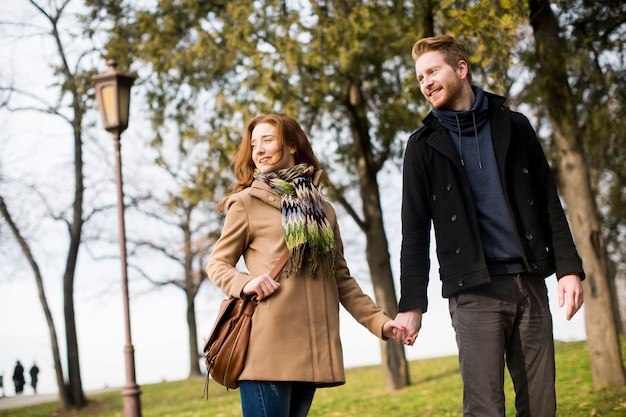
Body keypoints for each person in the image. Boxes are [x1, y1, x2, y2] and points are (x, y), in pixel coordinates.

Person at [395, 35, 585, 417]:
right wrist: (412, 304)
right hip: (473, 292)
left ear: (461, 68)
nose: (426, 83)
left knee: (541, 406)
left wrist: (568, 269)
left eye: (433, 71)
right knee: (485, 408)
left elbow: (548, 200)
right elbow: (414, 231)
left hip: (529, 282)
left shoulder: (515, 126)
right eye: (419, 78)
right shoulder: (422, 146)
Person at [206, 112, 407, 417]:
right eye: (254, 144)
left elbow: (340, 278)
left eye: (268, 140)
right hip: (266, 348)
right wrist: (246, 282)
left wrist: (380, 322)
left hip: (311, 351)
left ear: (291, 145)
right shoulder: (246, 202)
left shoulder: (322, 209)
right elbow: (218, 264)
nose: (258, 150)